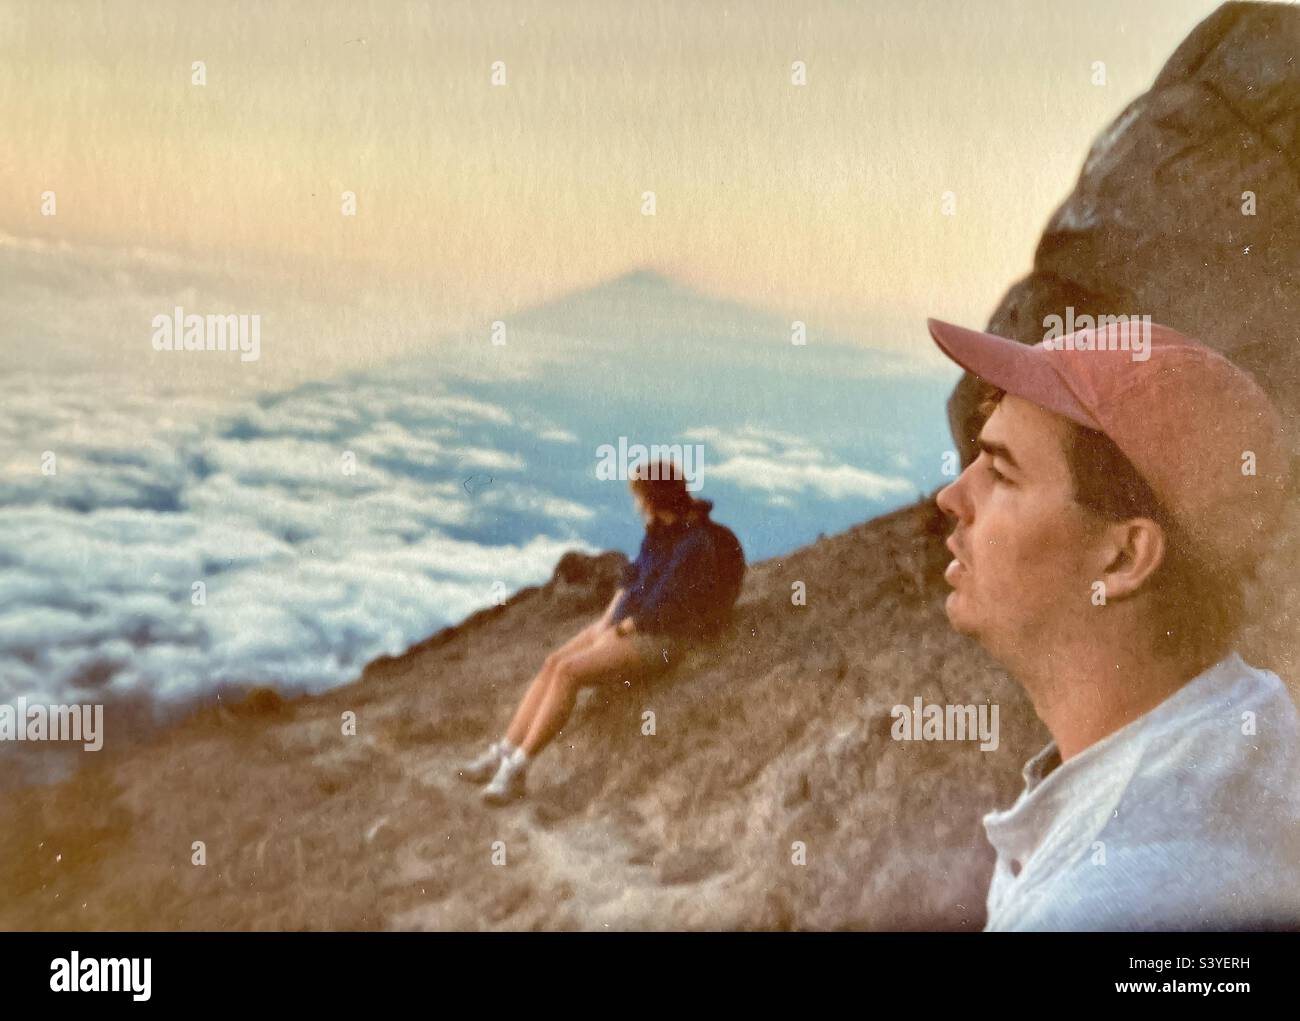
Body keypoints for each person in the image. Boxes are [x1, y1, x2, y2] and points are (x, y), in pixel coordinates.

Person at [926, 316, 1300, 931]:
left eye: (1001, 472)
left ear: (1125, 558)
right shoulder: (1248, 723)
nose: (952, 496)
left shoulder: (1105, 905)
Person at [457, 459, 745, 806]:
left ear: (653, 498)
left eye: (639, 496)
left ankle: (517, 770)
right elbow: (632, 578)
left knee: (569, 672)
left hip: (664, 638)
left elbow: (671, 607)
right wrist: (605, 622)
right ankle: (503, 752)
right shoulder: (661, 529)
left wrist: (622, 630)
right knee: (553, 662)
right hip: (631, 624)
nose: (637, 504)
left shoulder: (694, 544)